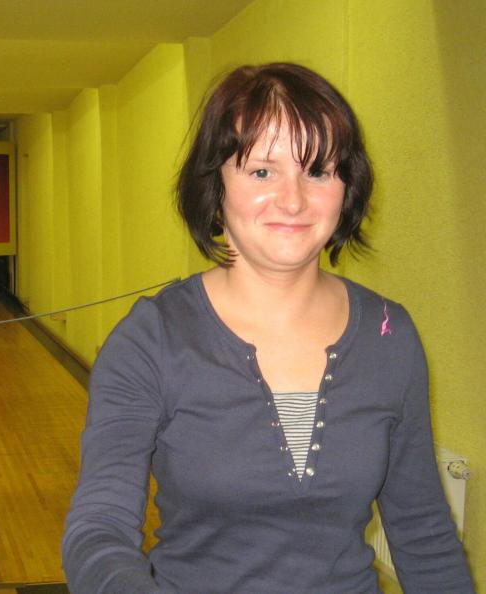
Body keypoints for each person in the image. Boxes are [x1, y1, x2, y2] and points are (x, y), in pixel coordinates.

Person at [62, 63, 474, 593]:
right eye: (261, 172)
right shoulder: (152, 340)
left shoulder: (388, 334)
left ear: (346, 187)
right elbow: (98, 529)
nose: (293, 200)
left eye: (318, 171)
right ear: (215, 185)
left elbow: (423, 531)